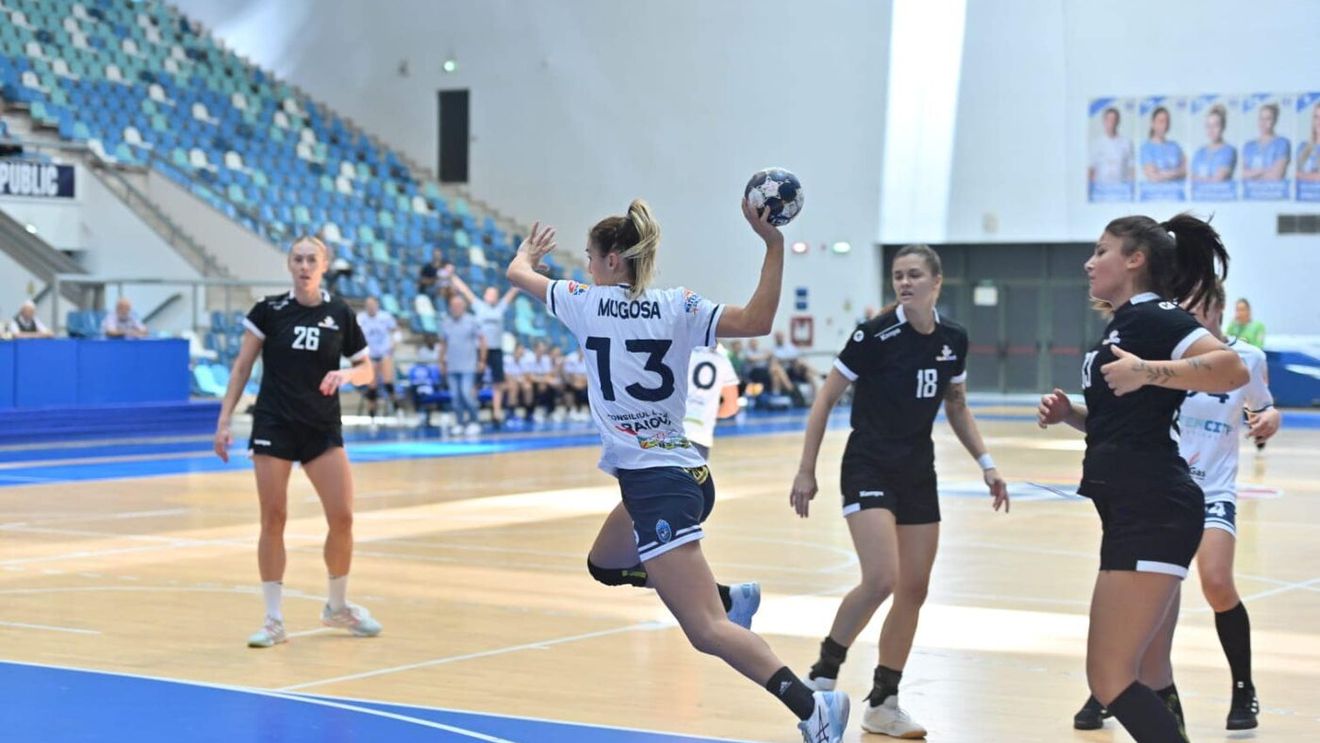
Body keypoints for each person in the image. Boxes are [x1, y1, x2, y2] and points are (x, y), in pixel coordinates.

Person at [505, 199, 850, 742]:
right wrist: (774, 245)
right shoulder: (677, 304)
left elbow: (517, 274)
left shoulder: (582, 301)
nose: (588, 269)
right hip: (682, 472)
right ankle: (731, 596)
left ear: (613, 260)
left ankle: (815, 707)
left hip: (656, 484)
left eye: (592, 259)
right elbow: (758, 320)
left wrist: (528, 254)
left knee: (706, 631)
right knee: (606, 563)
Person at [1037, 213, 1248, 742]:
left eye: (1102, 250)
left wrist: (1148, 371)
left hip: (1152, 510)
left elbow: (1231, 369)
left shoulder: (1154, 315)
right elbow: (1130, 423)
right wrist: (1073, 417)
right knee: (1149, 673)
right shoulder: (1124, 322)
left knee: (1108, 678)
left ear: (1135, 259)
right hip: (1136, 507)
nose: (1089, 262)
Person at [791, 243, 1009, 737]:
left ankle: (884, 701)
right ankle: (823, 673)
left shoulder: (954, 338)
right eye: (897, 276)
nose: (904, 283)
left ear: (937, 282)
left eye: (914, 275)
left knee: (914, 587)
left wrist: (987, 463)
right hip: (868, 465)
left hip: (917, 471)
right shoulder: (874, 334)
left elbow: (957, 406)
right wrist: (807, 469)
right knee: (882, 578)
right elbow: (824, 400)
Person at [1072, 280, 1280, 733]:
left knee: (1218, 582)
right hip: (1164, 485)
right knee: (1154, 609)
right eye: (1187, 307)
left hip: (1212, 490)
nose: (1192, 315)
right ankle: (1112, 684)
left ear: (1220, 310)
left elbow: (1264, 405)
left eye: (1201, 307)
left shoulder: (1243, 358)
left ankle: (1242, 686)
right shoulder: (1164, 355)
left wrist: (1267, 419)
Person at [212, 235, 382, 648]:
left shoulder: (339, 313)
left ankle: (337, 607)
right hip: (275, 423)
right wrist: (223, 421)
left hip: (321, 427)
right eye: (297, 259)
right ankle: (273, 620)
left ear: (324, 266)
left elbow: (367, 370)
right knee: (274, 516)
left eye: (312, 260)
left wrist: (346, 375)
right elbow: (241, 368)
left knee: (342, 517)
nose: (304, 266)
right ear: (290, 265)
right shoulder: (269, 311)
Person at [452, 274, 518, 427]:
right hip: (480, 351)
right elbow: (465, 291)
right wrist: (453, 277)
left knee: (498, 383)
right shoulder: (479, 306)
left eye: (494, 294)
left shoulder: (501, 307)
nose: (492, 296)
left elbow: (513, 291)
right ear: (485, 295)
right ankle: (471, 412)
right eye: (489, 293)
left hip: (496, 350)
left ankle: (496, 413)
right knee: (476, 383)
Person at [438, 294, 487, 435]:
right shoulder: (446, 322)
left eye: (458, 305)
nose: (456, 308)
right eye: (453, 306)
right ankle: (459, 423)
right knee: (455, 397)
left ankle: (474, 421)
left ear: (464, 306)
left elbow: (482, 340)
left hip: (468, 366)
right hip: (452, 366)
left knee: (467, 394)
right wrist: (441, 362)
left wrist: (482, 360)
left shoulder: (472, 321)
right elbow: (443, 344)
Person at [683, 343, 741, 461]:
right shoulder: (721, 360)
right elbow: (731, 407)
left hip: (666, 432)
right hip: (698, 435)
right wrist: (710, 414)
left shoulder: (677, 352)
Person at [356, 296, 398, 419]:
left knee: (388, 383)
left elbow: (396, 331)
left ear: (377, 305)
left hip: (384, 353)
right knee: (372, 388)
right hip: (370, 355)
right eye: (368, 305)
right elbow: (355, 336)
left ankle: (397, 407)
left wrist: (393, 345)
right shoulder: (360, 319)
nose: (371, 307)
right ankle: (372, 416)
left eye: (373, 305)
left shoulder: (385, 317)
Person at [1140, 106, 1186, 195]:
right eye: (1161, 121)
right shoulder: (1146, 148)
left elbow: (1185, 171)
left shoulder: (1175, 146)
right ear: (1153, 123)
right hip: (1155, 197)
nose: (1164, 125)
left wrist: (1162, 173)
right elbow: (1154, 177)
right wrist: (1177, 172)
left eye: (1167, 121)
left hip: (1176, 197)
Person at [1241, 103, 1291, 182]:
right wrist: (1264, 170)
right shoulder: (1249, 146)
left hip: (1273, 191)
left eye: (1268, 119)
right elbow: (1242, 174)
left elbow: (1276, 176)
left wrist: (1252, 174)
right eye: (1261, 118)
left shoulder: (1282, 143)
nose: (1263, 123)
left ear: (1275, 120)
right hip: (1250, 193)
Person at [1192, 104, 1237, 183]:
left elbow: (1219, 179)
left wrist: (1199, 179)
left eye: (1215, 125)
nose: (1211, 130)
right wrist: (1209, 178)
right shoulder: (1199, 152)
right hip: (1199, 195)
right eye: (1208, 126)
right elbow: (1191, 179)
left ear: (1223, 126)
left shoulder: (1229, 151)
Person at [1090, 106, 1134, 185]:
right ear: (1104, 121)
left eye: (1114, 119)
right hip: (1101, 189)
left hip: (1121, 189)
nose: (1111, 122)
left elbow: (1131, 169)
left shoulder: (1127, 142)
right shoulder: (1097, 143)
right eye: (1108, 119)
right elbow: (1091, 169)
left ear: (1118, 121)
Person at [1296, 102, 1320, 187]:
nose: (1318, 122)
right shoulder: (1302, 147)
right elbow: (1293, 174)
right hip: (1304, 196)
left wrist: (1302, 175)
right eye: (1316, 117)